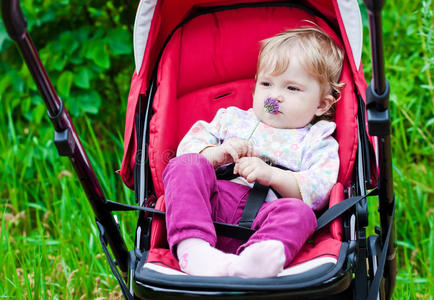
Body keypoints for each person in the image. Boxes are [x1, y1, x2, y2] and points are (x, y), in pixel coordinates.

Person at [162, 26, 345, 278]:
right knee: (185, 165)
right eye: (266, 83)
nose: (275, 96)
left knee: (301, 214)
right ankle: (193, 250)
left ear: (322, 104)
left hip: (268, 215)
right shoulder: (232, 119)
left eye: (292, 88)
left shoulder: (317, 137)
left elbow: (319, 189)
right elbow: (187, 149)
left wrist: (271, 175)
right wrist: (217, 152)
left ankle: (257, 260)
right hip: (212, 203)